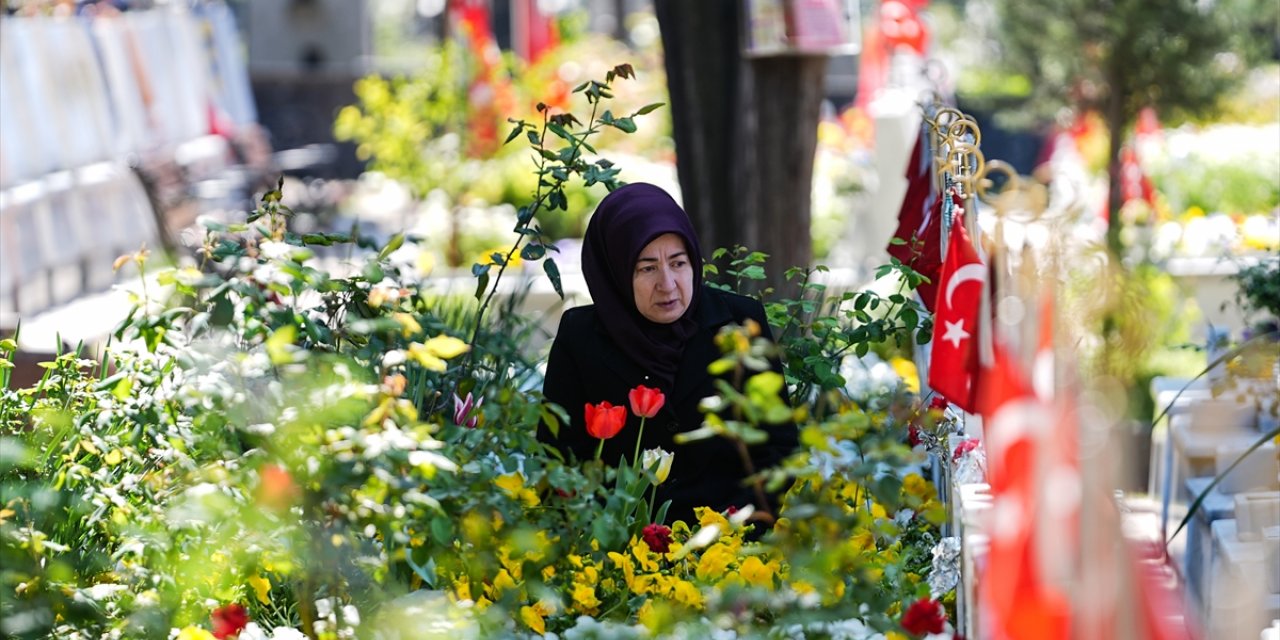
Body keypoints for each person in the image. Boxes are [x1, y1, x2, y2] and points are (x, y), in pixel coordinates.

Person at [538, 182, 798, 526]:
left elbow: (778, 447)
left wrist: (732, 529)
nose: (668, 283)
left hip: (729, 546)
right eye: (647, 268)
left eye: (678, 263)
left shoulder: (738, 322)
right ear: (616, 271)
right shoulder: (581, 337)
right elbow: (558, 459)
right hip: (616, 546)